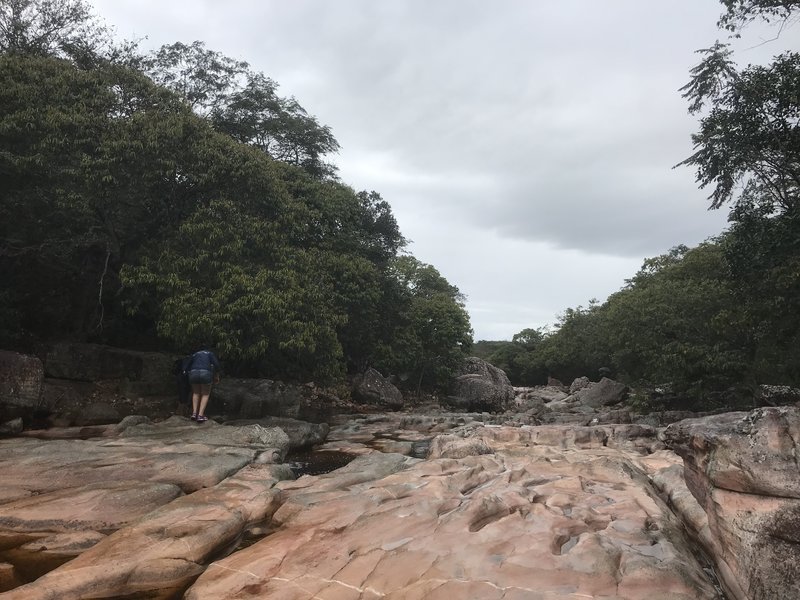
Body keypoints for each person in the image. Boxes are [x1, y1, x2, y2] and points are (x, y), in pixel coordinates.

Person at [186, 348, 222, 422]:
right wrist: (217, 376)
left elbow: (187, 365)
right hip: (205, 373)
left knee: (196, 393)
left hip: (193, 373)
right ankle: (200, 415)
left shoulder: (195, 354)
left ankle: (194, 413)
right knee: (205, 394)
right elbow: (217, 365)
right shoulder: (209, 353)